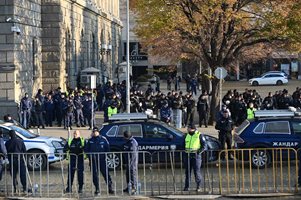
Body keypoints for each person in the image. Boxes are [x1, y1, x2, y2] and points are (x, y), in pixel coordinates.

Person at [85, 127, 114, 195]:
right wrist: (90, 157)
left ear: (98, 132)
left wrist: (105, 156)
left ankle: (110, 188)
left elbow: (108, 149)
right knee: (95, 175)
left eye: (96, 131)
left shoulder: (103, 139)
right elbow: (86, 150)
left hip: (102, 160)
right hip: (93, 161)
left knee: (106, 174)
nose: (95, 133)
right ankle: (97, 188)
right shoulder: (90, 140)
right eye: (93, 132)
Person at [183, 124, 206, 192]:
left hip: (196, 156)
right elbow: (183, 145)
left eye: (188, 128)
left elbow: (204, 146)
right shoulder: (186, 135)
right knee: (187, 172)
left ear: (192, 129)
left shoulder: (199, 135)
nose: (187, 129)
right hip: (187, 155)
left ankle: (198, 186)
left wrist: (199, 152)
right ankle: (187, 187)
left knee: (196, 172)